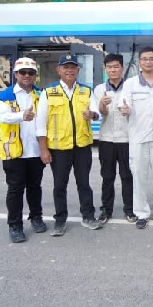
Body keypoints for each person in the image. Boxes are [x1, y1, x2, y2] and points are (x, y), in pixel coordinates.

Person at [36, 53, 102, 236]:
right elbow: (40, 123)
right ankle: (60, 220)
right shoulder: (48, 93)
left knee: (84, 183)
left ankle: (88, 216)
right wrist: (43, 149)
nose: (70, 70)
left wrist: (92, 115)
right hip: (58, 149)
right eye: (66, 67)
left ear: (78, 70)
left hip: (82, 146)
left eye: (73, 67)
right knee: (59, 186)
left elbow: (96, 113)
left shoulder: (86, 91)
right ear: (59, 70)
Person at [0, 57, 47, 243]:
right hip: (13, 152)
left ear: (35, 76)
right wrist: (22, 115)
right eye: (23, 72)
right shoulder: (3, 96)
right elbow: (4, 118)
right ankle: (15, 225)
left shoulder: (42, 95)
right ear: (16, 74)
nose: (27, 76)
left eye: (31, 73)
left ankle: (36, 217)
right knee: (15, 190)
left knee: (35, 187)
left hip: (36, 150)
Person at [119, 46, 153, 229]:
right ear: (139, 62)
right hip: (138, 138)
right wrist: (124, 110)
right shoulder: (130, 84)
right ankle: (141, 212)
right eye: (144, 59)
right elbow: (124, 106)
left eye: (151, 59)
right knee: (139, 177)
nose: (148, 62)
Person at [92, 53, 136, 224]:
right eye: (109, 67)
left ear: (122, 68)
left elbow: (133, 110)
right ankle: (106, 209)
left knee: (127, 175)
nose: (113, 70)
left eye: (116, 66)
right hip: (107, 138)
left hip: (126, 139)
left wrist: (128, 111)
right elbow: (100, 113)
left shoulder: (130, 87)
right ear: (105, 69)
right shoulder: (99, 89)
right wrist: (102, 105)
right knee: (107, 176)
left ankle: (130, 209)